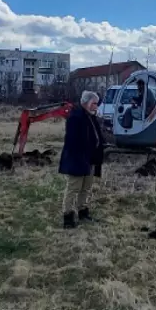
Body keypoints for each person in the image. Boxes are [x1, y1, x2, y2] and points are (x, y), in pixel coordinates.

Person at [59, 90, 106, 228]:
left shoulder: (90, 116)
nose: (96, 106)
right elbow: (72, 141)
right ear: (86, 102)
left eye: (97, 104)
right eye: (94, 103)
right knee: (73, 188)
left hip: (90, 160)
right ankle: (68, 217)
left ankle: (83, 212)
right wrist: (81, 155)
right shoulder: (76, 117)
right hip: (78, 159)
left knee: (86, 188)